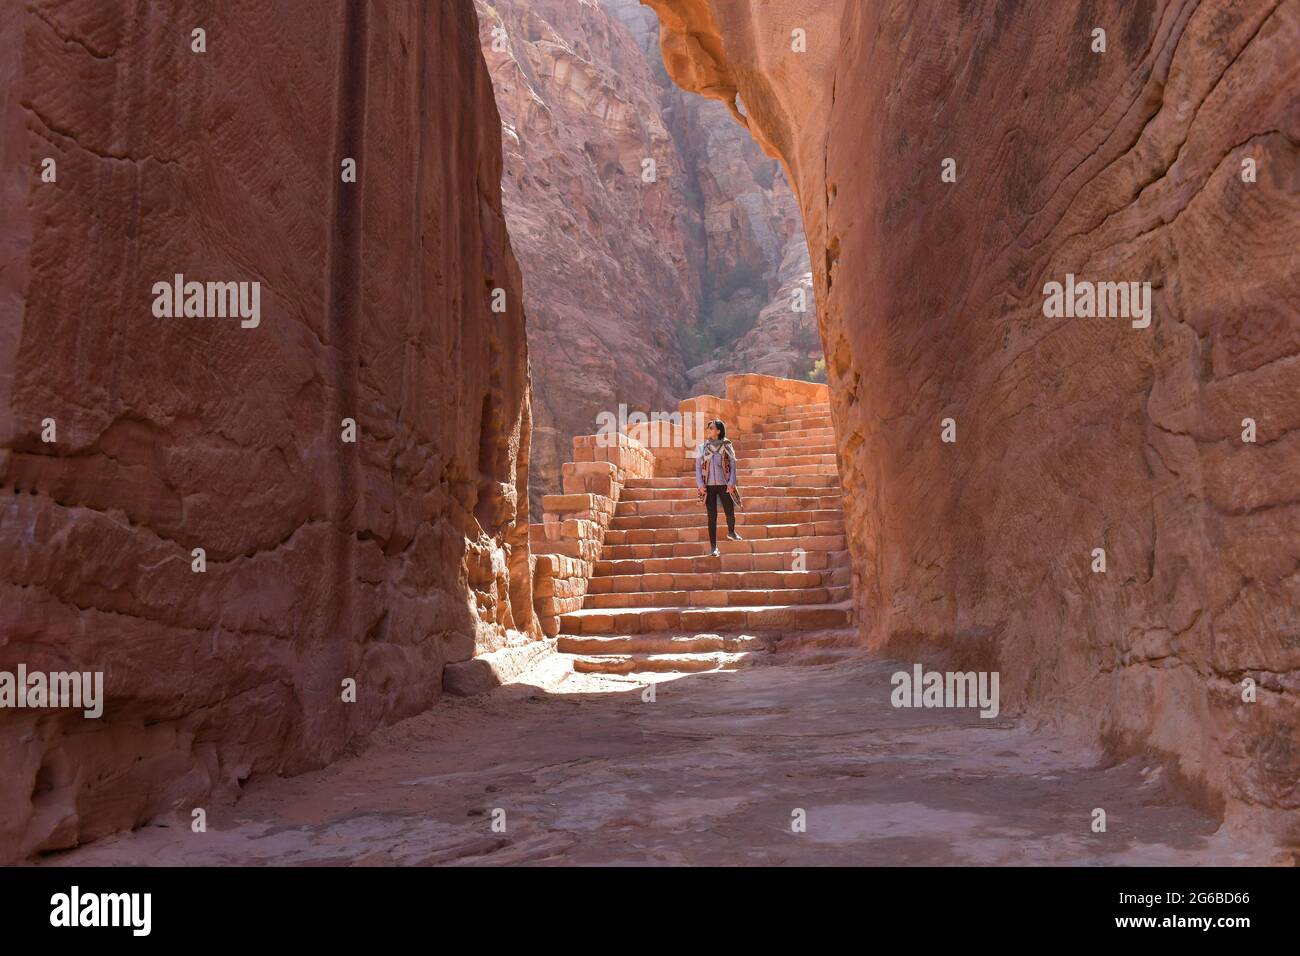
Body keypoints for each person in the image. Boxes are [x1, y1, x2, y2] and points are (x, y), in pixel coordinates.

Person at [695, 419, 742, 557]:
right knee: (711, 516)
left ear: (718, 431)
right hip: (708, 486)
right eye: (708, 428)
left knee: (729, 511)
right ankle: (713, 547)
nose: (708, 430)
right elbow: (698, 468)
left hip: (724, 485)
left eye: (711, 428)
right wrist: (700, 485)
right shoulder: (702, 448)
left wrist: (732, 482)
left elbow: (733, 466)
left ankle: (731, 532)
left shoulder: (727, 446)